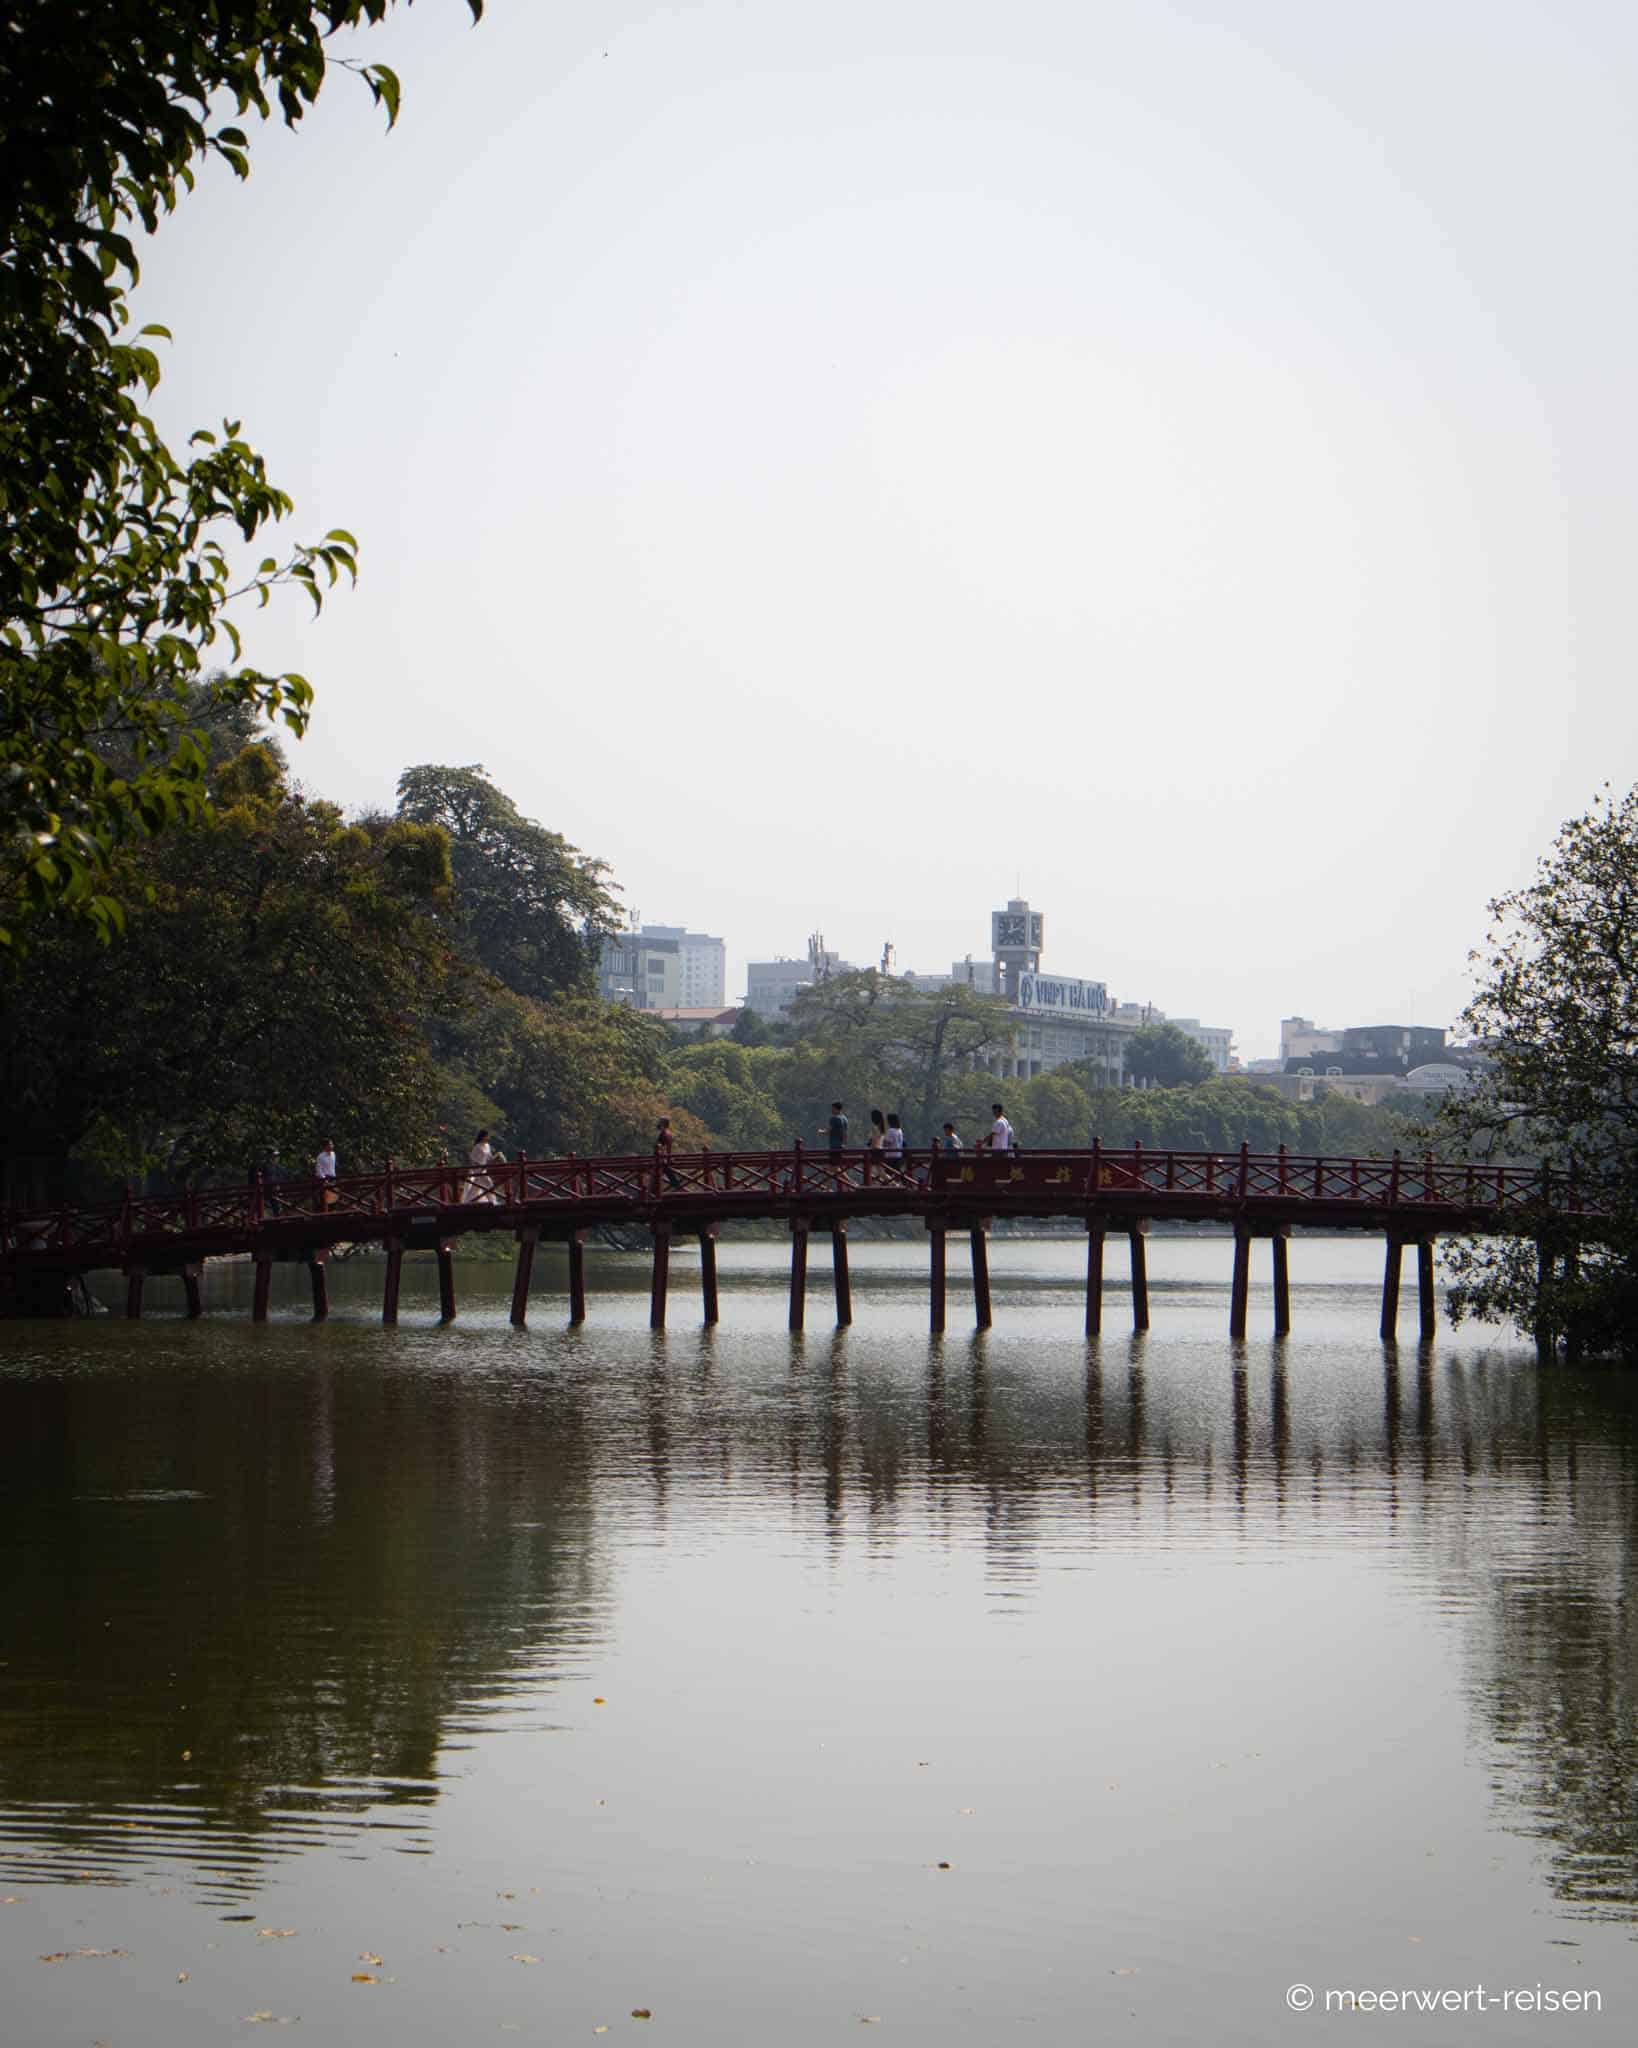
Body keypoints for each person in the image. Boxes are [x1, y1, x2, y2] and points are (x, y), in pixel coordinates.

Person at [464, 1129, 494, 1204]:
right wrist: (478, 1166)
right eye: (487, 1136)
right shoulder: (477, 1147)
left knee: (476, 1187)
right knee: (488, 1183)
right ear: (483, 1137)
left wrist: (496, 1157)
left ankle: (468, 1202)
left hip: (484, 1169)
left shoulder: (487, 1146)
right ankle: (492, 1201)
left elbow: (489, 1157)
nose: (488, 1138)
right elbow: (472, 1159)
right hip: (478, 1169)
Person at [655, 1116, 681, 1189]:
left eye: (660, 1121)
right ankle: (675, 1183)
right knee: (656, 1176)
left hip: (662, 1159)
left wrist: (665, 1158)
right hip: (664, 1158)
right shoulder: (669, 1133)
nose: (658, 1123)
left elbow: (663, 1147)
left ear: (663, 1123)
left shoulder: (664, 1134)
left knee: (656, 1175)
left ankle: (676, 1183)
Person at [315, 1138, 337, 1207]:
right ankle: (324, 1215)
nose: (332, 1146)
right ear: (325, 1146)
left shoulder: (333, 1154)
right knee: (324, 1200)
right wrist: (324, 1179)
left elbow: (332, 1167)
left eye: (332, 1144)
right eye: (330, 1144)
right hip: (324, 1179)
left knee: (333, 1197)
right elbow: (318, 1169)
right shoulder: (320, 1156)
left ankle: (333, 1212)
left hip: (332, 1178)